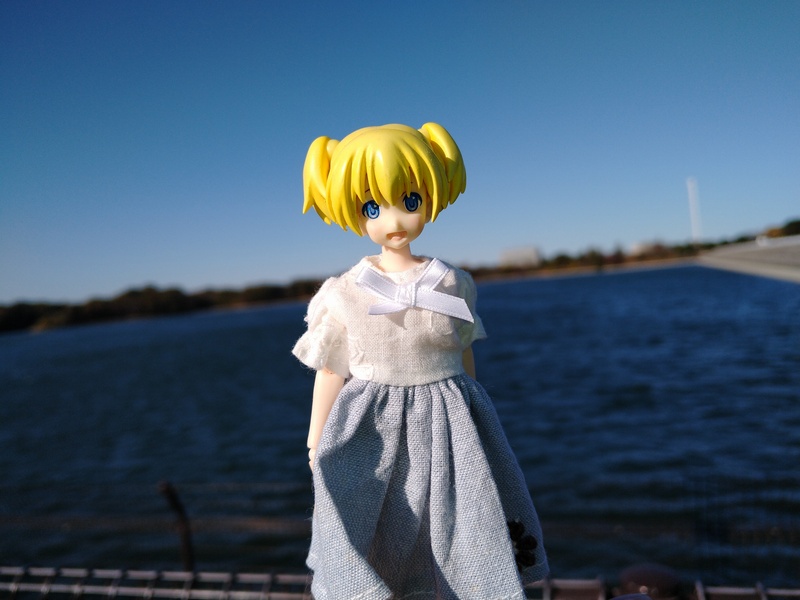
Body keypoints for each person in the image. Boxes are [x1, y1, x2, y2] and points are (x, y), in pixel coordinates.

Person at [292, 123, 547, 599]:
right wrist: (316, 438)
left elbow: (463, 351)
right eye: (372, 207)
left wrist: (476, 409)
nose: (393, 219)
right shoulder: (343, 293)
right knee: (376, 517)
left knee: (465, 515)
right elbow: (331, 368)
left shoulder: (452, 283)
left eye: (409, 200)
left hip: (451, 416)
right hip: (372, 423)